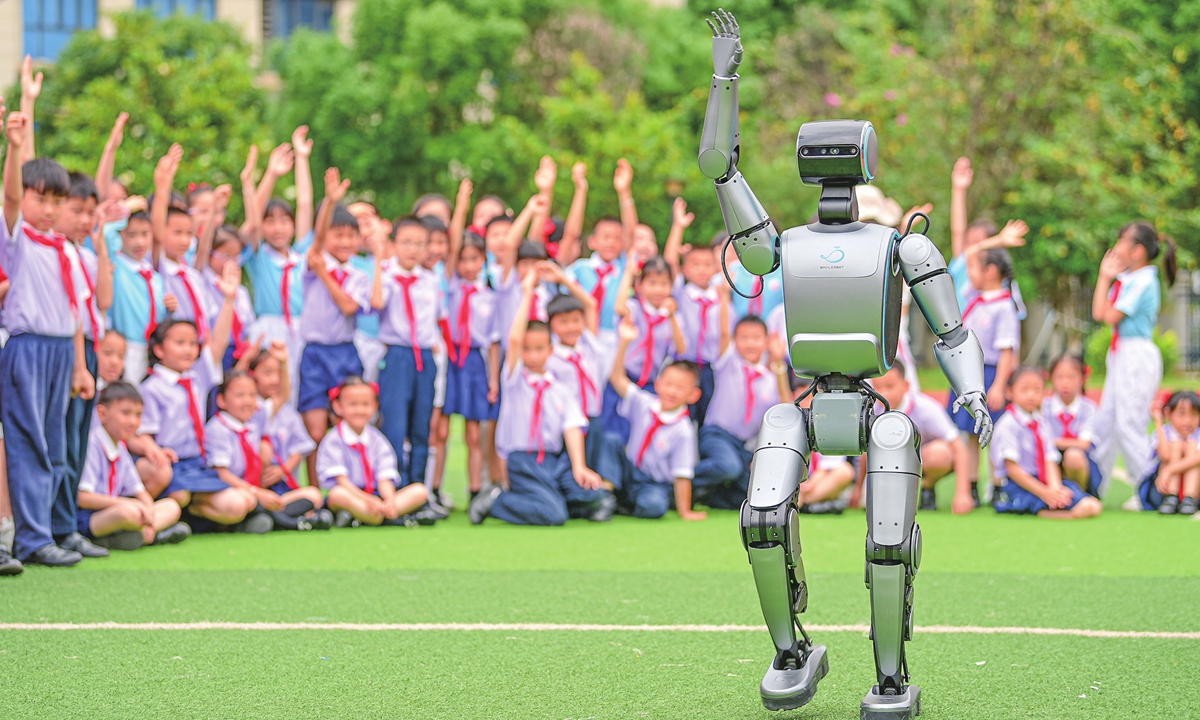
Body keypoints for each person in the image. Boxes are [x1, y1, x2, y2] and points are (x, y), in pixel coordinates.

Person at [1, 107, 96, 568]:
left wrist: (80, 366)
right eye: (43, 199)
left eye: (58, 201)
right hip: (27, 346)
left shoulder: (68, 251)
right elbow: (12, 200)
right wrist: (16, 145)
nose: (50, 210)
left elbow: (76, 314)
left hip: (62, 350)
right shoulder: (17, 239)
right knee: (30, 442)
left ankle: (56, 529)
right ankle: (31, 538)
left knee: (57, 444)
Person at [468, 271, 614, 525]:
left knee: (593, 493)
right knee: (553, 514)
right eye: (527, 350)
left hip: (554, 460)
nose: (533, 356)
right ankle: (497, 501)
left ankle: (556, 498)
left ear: (550, 349)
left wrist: (579, 466)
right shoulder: (515, 381)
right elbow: (513, 340)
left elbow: (572, 427)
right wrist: (526, 294)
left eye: (539, 349)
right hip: (524, 459)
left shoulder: (559, 388)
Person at [130, 266, 263, 532]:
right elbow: (140, 433)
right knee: (177, 494)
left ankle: (189, 517)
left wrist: (228, 299)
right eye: (179, 343)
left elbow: (218, 344)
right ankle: (151, 520)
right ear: (159, 349)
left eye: (192, 343)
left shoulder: (197, 377)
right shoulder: (152, 387)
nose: (189, 349)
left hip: (197, 464)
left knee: (240, 503)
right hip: (169, 463)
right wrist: (154, 450)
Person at [1091, 221, 1176, 496]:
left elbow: (1109, 316)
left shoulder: (1143, 281)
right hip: (1122, 354)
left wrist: (1107, 278)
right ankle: (1094, 487)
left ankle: (1155, 490)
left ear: (1137, 251)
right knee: (1106, 421)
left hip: (1137, 355)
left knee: (1130, 425)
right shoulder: (1130, 280)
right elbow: (1098, 314)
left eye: (1121, 242)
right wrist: (1105, 278)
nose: (1115, 248)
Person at [55, 172, 115, 559]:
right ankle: (53, 526)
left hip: (90, 348)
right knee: (59, 440)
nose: (84, 220)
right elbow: (72, 312)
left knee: (76, 440)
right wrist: (80, 364)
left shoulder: (86, 254)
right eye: (77, 211)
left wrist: (102, 239)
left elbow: (104, 300)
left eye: (90, 213)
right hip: (67, 349)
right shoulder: (54, 250)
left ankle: (69, 524)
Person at [298, 169, 371, 479]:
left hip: (345, 351)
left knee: (348, 424)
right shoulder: (313, 262)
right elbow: (315, 243)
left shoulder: (359, 275)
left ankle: (348, 486)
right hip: (315, 353)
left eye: (350, 235)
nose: (344, 241)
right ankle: (315, 491)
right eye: (337, 235)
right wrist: (329, 201)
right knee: (315, 429)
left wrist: (326, 275)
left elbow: (347, 306)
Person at [605, 316, 704, 520]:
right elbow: (616, 378)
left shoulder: (683, 430)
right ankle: (607, 494)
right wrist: (624, 343)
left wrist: (685, 511)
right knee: (610, 441)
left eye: (680, 387)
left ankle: (623, 504)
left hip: (653, 483)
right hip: (629, 471)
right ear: (657, 384)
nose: (671, 391)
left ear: (693, 395)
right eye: (668, 384)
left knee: (654, 505)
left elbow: (682, 474)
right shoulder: (644, 402)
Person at [691, 310, 790, 510]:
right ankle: (683, 484)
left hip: (745, 446)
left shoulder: (770, 378)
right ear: (735, 341)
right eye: (743, 338)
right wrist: (724, 295)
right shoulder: (728, 363)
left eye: (756, 338)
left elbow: (786, 406)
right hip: (718, 434)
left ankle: (711, 497)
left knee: (754, 492)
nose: (750, 343)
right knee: (728, 466)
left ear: (766, 341)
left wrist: (778, 361)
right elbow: (724, 334)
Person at [206, 370, 330, 531]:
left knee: (314, 495)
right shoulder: (217, 428)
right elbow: (222, 474)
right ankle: (290, 523)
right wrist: (257, 493)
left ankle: (262, 519)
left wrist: (284, 361)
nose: (247, 401)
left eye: (252, 395)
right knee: (242, 502)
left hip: (259, 492)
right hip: (236, 492)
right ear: (221, 400)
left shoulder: (253, 424)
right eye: (239, 395)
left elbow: (282, 395)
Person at [373, 216, 441, 507]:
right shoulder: (386, 275)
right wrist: (379, 261)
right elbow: (376, 304)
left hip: (424, 357)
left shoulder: (431, 280)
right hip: (397, 355)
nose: (413, 249)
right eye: (407, 242)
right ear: (394, 244)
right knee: (394, 426)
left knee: (421, 427)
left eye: (419, 244)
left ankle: (418, 493)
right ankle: (393, 493)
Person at [76, 382, 191, 550]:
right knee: (128, 512)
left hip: (118, 511)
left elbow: (140, 491)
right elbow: (83, 498)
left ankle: (141, 533)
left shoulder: (120, 447)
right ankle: (146, 535)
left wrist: (149, 512)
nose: (133, 421)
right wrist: (124, 504)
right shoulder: (92, 443)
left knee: (172, 506)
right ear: (102, 413)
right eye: (126, 413)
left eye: (138, 415)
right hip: (91, 517)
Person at [948, 247, 1020, 505]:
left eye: (975, 269)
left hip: (989, 373)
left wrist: (999, 385)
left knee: (994, 430)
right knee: (968, 431)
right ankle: (972, 484)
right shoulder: (975, 298)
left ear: (991, 272)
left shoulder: (1003, 306)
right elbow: (967, 254)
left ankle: (998, 484)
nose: (969, 274)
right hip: (966, 372)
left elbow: (1007, 351)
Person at [443, 185, 500, 503]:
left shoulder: (489, 296)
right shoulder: (450, 285)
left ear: (484, 260)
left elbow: (492, 343)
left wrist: (493, 379)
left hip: (476, 363)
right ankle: (434, 489)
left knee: (475, 433)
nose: (467, 265)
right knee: (441, 428)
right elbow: (451, 248)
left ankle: (476, 491)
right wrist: (462, 203)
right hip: (452, 359)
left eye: (474, 259)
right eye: (462, 259)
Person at [243, 128, 314, 374]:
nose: (278, 228)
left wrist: (302, 158)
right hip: (268, 328)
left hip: (301, 327)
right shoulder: (258, 255)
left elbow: (305, 204)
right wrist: (271, 175)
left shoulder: (302, 255)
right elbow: (253, 217)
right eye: (270, 221)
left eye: (285, 220)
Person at [990, 366, 1102, 519]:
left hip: (1044, 481)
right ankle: (1057, 514)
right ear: (1009, 392)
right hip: (1020, 485)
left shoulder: (1041, 422)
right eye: (1024, 389)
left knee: (1093, 505)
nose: (1031, 395)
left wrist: (1055, 488)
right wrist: (1044, 493)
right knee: (1077, 507)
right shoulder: (1008, 424)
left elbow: (1050, 459)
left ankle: (1059, 507)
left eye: (1037, 390)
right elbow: (1012, 469)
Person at [317, 377, 429, 527]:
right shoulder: (333, 441)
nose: (360, 410)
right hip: (352, 495)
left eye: (365, 404)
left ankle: (374, 515)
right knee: (337, 495)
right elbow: (343, 482)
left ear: (375, 406)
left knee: (420, 491)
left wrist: (389, 500)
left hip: (377, 496)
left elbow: (384, 478)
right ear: (338, 406)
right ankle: (386, 517)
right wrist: (367, 500)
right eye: (353, 404)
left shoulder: (378, 440)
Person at [602, 256, 687, 442]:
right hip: (624, 377)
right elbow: (619, 306)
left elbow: (681, 348)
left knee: (640, 434)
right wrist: (628, 273)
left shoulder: (671, 316)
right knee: (612, 433)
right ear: (640, 285)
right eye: (652, 283)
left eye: (665, 284)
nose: (659, 289)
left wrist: (672, 318)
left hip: (650, 383)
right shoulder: (635, 308)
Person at [871, 361, 973, 514]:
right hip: (888, 464)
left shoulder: (926, 409)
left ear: (906, 386)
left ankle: (928, 486)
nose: (884, 394)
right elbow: (867, 453)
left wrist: (963, 493)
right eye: (877, 388)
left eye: (890, 386)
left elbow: (959, 447)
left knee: (940, 453)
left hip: (922, 461)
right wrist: (859, 490)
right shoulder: (872, 412)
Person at [107, 209, 166, 382]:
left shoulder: (154, 276)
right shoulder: (115, 266)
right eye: (131, 235)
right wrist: (124, 210)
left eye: (145, 234)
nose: (139, 242)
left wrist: (169, 308)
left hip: (152, 349)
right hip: (127, 347)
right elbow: (104, 234)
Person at [1043, 354, 1101, 497]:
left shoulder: (1089, 408)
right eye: (1060, 377)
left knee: (1074, 456)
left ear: (1083, 379)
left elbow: (1084, 444)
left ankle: (1079, 496)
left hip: (1079, 461)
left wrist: (1052, 441)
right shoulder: (1043, 406)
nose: (1065, 383)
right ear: (1051, 379)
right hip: (1048, 459)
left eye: (1071, 377)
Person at [1139, 391, 1200, 515]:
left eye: (1194, 415)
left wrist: (1170, 470)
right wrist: (1158, 421)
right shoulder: (1165, 432)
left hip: (1195, 492)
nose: (1188, 421)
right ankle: (1171, 497)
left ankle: (1189, 498)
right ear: (1168, 413)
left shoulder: (1197, 434)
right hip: (1162, 490)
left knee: (1192, 447)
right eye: (1181, 414)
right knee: (1175, 445)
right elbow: (1165, 455)